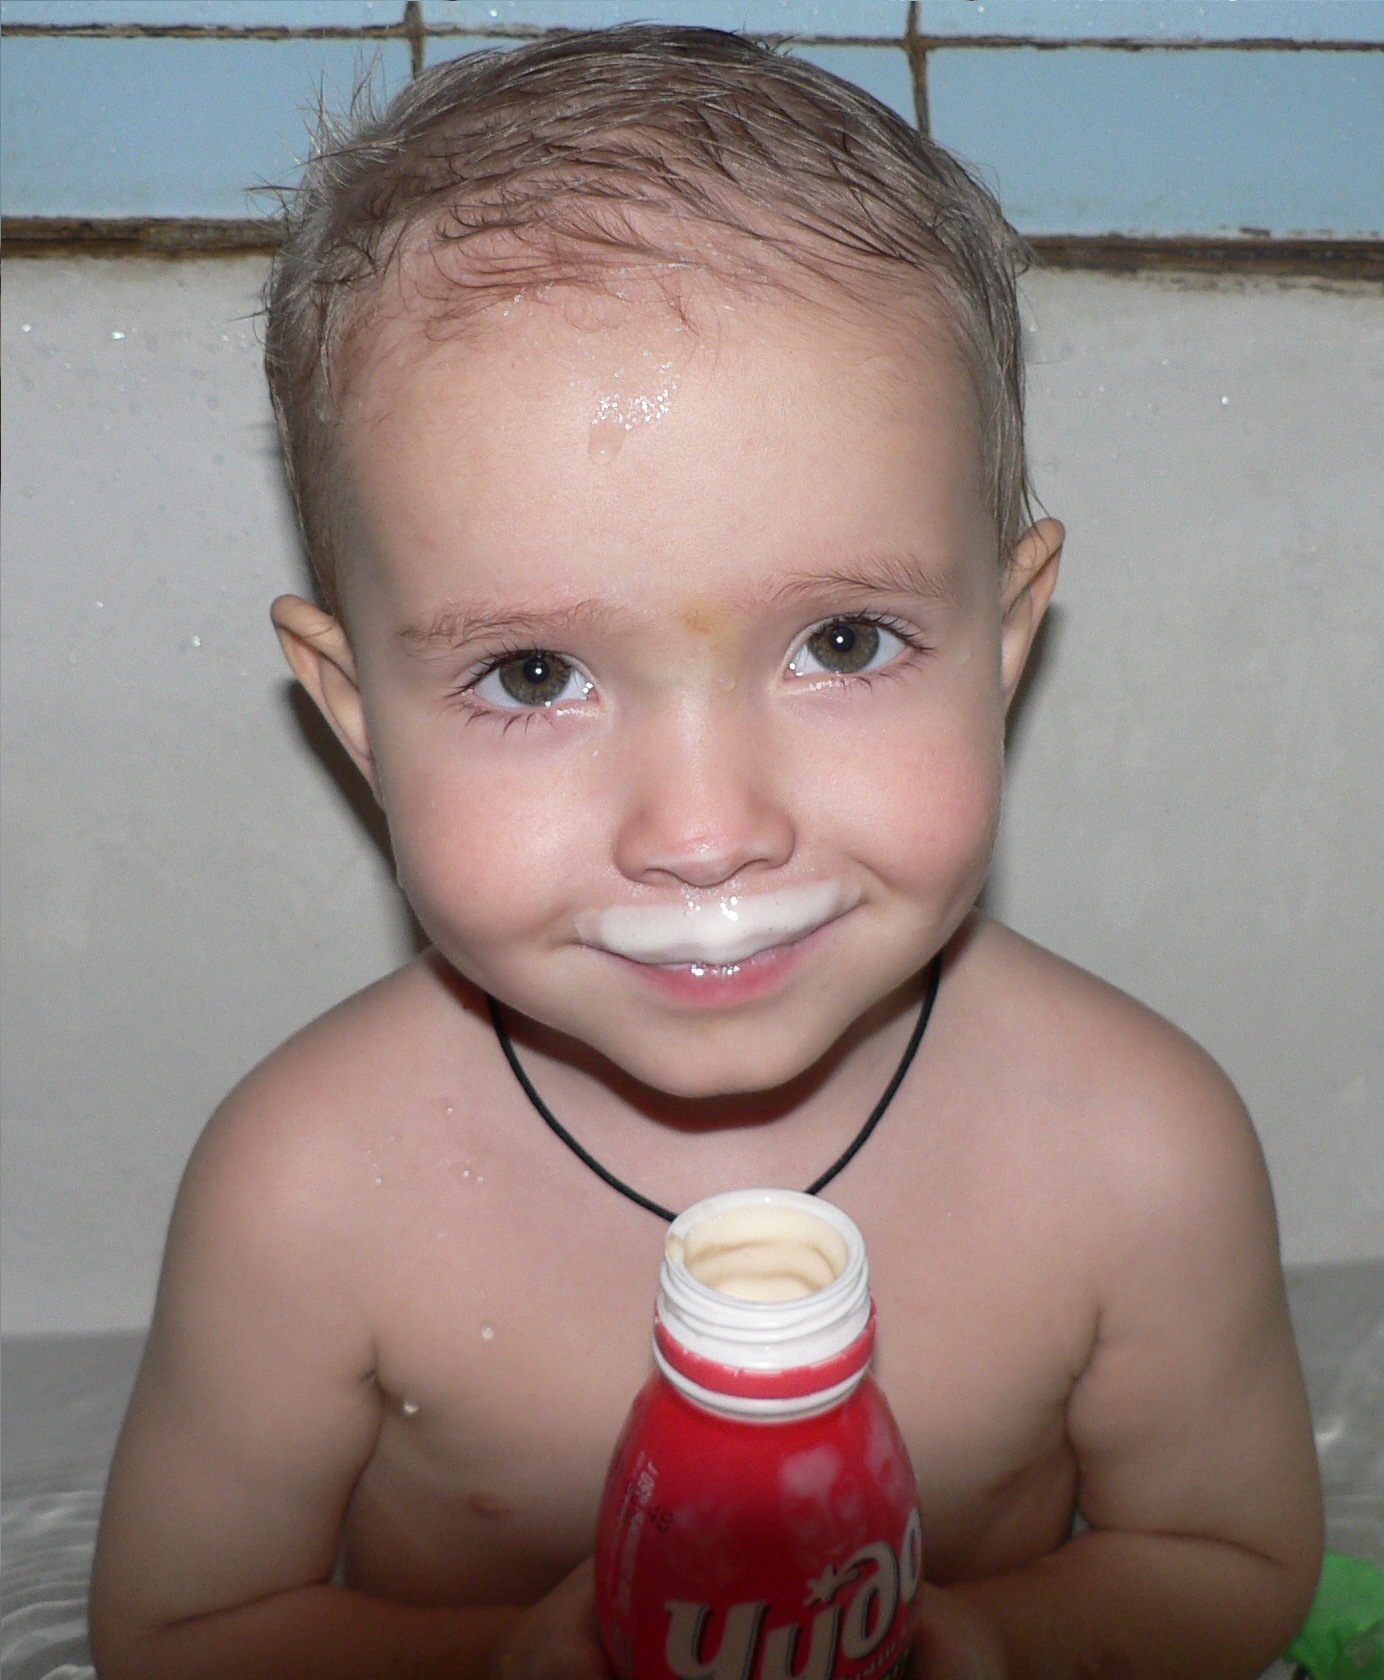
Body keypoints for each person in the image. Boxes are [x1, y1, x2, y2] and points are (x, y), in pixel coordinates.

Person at [88, 26, 1323, 1680]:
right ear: (357, 716)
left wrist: (987, 1645)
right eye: (536, 675)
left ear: (1008, 639)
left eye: (844, 643)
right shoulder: (311, 1196)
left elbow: (1229, 1564)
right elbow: (179, 1632)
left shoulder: (1134, 1156)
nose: (707, 831)